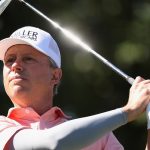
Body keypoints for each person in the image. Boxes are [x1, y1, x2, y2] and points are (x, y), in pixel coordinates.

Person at [0, 26, 149, 150]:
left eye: (28, 58)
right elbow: (53, 143)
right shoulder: (2, 127)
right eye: (10, 60)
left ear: (55, 76)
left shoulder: (99, 135)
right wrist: (127, 112)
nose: (15, 66)